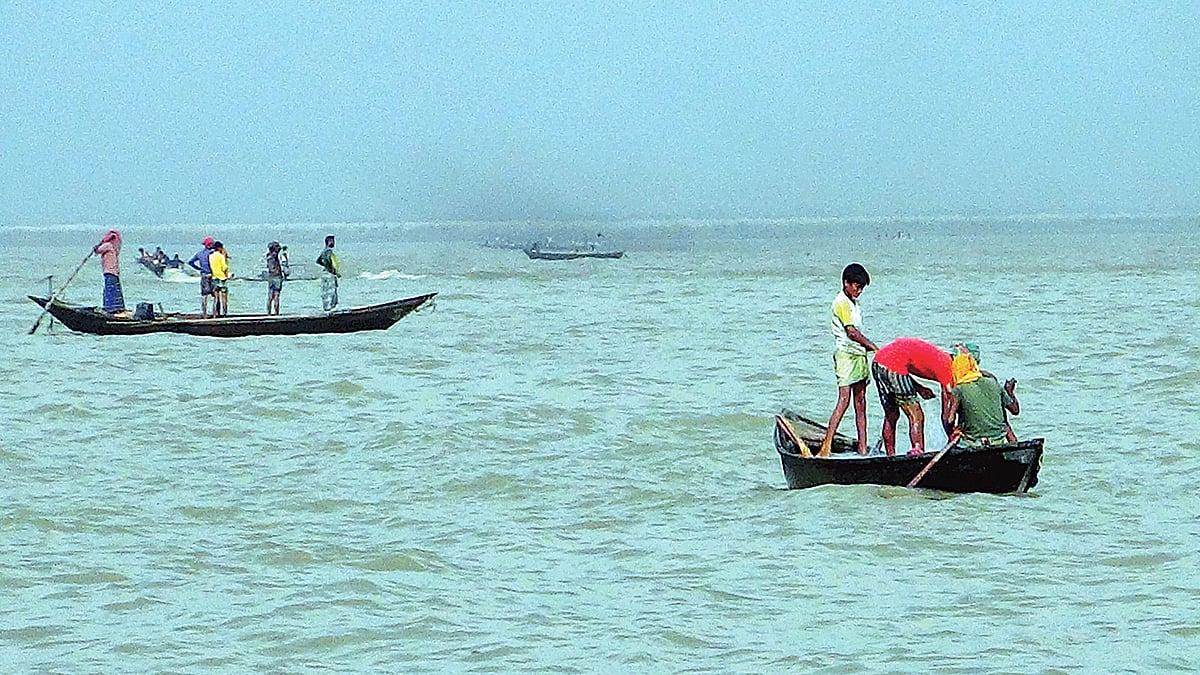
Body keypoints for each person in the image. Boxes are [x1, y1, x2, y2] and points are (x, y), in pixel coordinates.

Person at [819, 263, 878, 456]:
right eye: (857, 287)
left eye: (861, 288)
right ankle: (827, 444)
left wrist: (867, 349)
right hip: (846, 355)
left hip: (858, 355)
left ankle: (862, 447)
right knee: (844, 400)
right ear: (846, 283)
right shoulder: (841, 302)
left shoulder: (854, 303)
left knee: (860, 402)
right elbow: (851, 332)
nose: (859, 291)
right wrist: (874, 347)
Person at [871, 337, 955, 456]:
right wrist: (951, 435)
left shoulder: (941, 358)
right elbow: (947, 415)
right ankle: (918, 452)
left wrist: (919, 388)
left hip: (878, 361)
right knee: (916, 416)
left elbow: (902, 367)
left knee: (891, 415)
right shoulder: (948, 367)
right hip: (893, 365)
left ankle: (890, 455)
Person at [942, 347, 1014, 447]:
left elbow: (950, 420)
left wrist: (954, 429)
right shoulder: (993, 382)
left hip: (973, 442)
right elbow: (1013, 409)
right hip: (998, 440)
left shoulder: (959, 389)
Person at [954, 342, 1020, 441]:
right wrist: (1009, 392)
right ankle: (1012, 443)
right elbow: (1014, 410)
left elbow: (950, 417)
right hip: (997, 433)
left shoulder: (959, 383)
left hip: (973, 435)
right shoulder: (991, 379)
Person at [93, 229, 125, 313]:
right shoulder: (114, 248)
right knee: (115, 289)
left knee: (109, 289)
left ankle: (110, 308)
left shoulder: (108, 245)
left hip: (109, 271)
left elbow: (98, 250)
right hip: (115, 272)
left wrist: (98, 246)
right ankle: (117, 307)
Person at [188, 237, 216, 317]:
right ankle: (214, 314)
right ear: (209, 245)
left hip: (203, 274)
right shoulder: (212, 254)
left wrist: (198, 268)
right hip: (212, 275)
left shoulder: (199, 254)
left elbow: (190, 262)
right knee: (215, 296)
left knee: (204, 295)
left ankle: (204, 314)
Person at [315, 234, 340, 311]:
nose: (334, 243)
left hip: (325, 273)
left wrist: (325, 266)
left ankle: (326, 307)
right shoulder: (329, 251)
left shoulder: (323, 251)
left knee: (326, 291)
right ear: (329, 242)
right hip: (330, 273)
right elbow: (330, 260)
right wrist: (333, 270)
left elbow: (318, 261)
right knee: (332, 291)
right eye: (332, 241)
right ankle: (330, 308)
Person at [208, 241, 231, 317]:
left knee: (216, 298)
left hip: (214, 277)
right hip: (222, 278)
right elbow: (224, 267)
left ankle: (216, 313)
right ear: (219, 248)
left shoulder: (210, 256)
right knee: (224, 297)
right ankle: (224, 313)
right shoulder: (221, 256)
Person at [265, 241, 284, 315]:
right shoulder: (274, 255)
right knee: (276, 295)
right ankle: (276, 313)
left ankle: (269, 313)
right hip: (277, 276)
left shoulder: (268, 256)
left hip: (271, 277)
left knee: (270, 296)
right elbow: (278, 250)